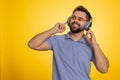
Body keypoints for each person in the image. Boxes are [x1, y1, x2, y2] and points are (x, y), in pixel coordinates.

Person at [28, 5, 109, 80]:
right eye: (73, 17)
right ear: (69, 20)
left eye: (80, 19)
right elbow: (32, 44)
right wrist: (53, 30)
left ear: (87, 24)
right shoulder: (57, 40)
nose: (75, 21)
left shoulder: (91, 46)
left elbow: (104, 69)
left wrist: (94, 44)